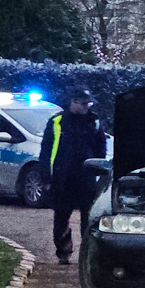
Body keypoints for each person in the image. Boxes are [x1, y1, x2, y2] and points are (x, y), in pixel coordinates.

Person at [39, 86, 107, 264]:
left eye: (89, 104)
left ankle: (87, 254)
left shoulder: (94, 121)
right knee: (61, 217)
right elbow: (46, 152)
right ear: (73, 103)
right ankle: (63, 251)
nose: (87, 107)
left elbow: (101, 149)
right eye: (84, 104)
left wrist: (101, 173)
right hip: (63, 178)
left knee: (89, 219)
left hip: (87, 178)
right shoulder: (57, 122)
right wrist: (46, 178)